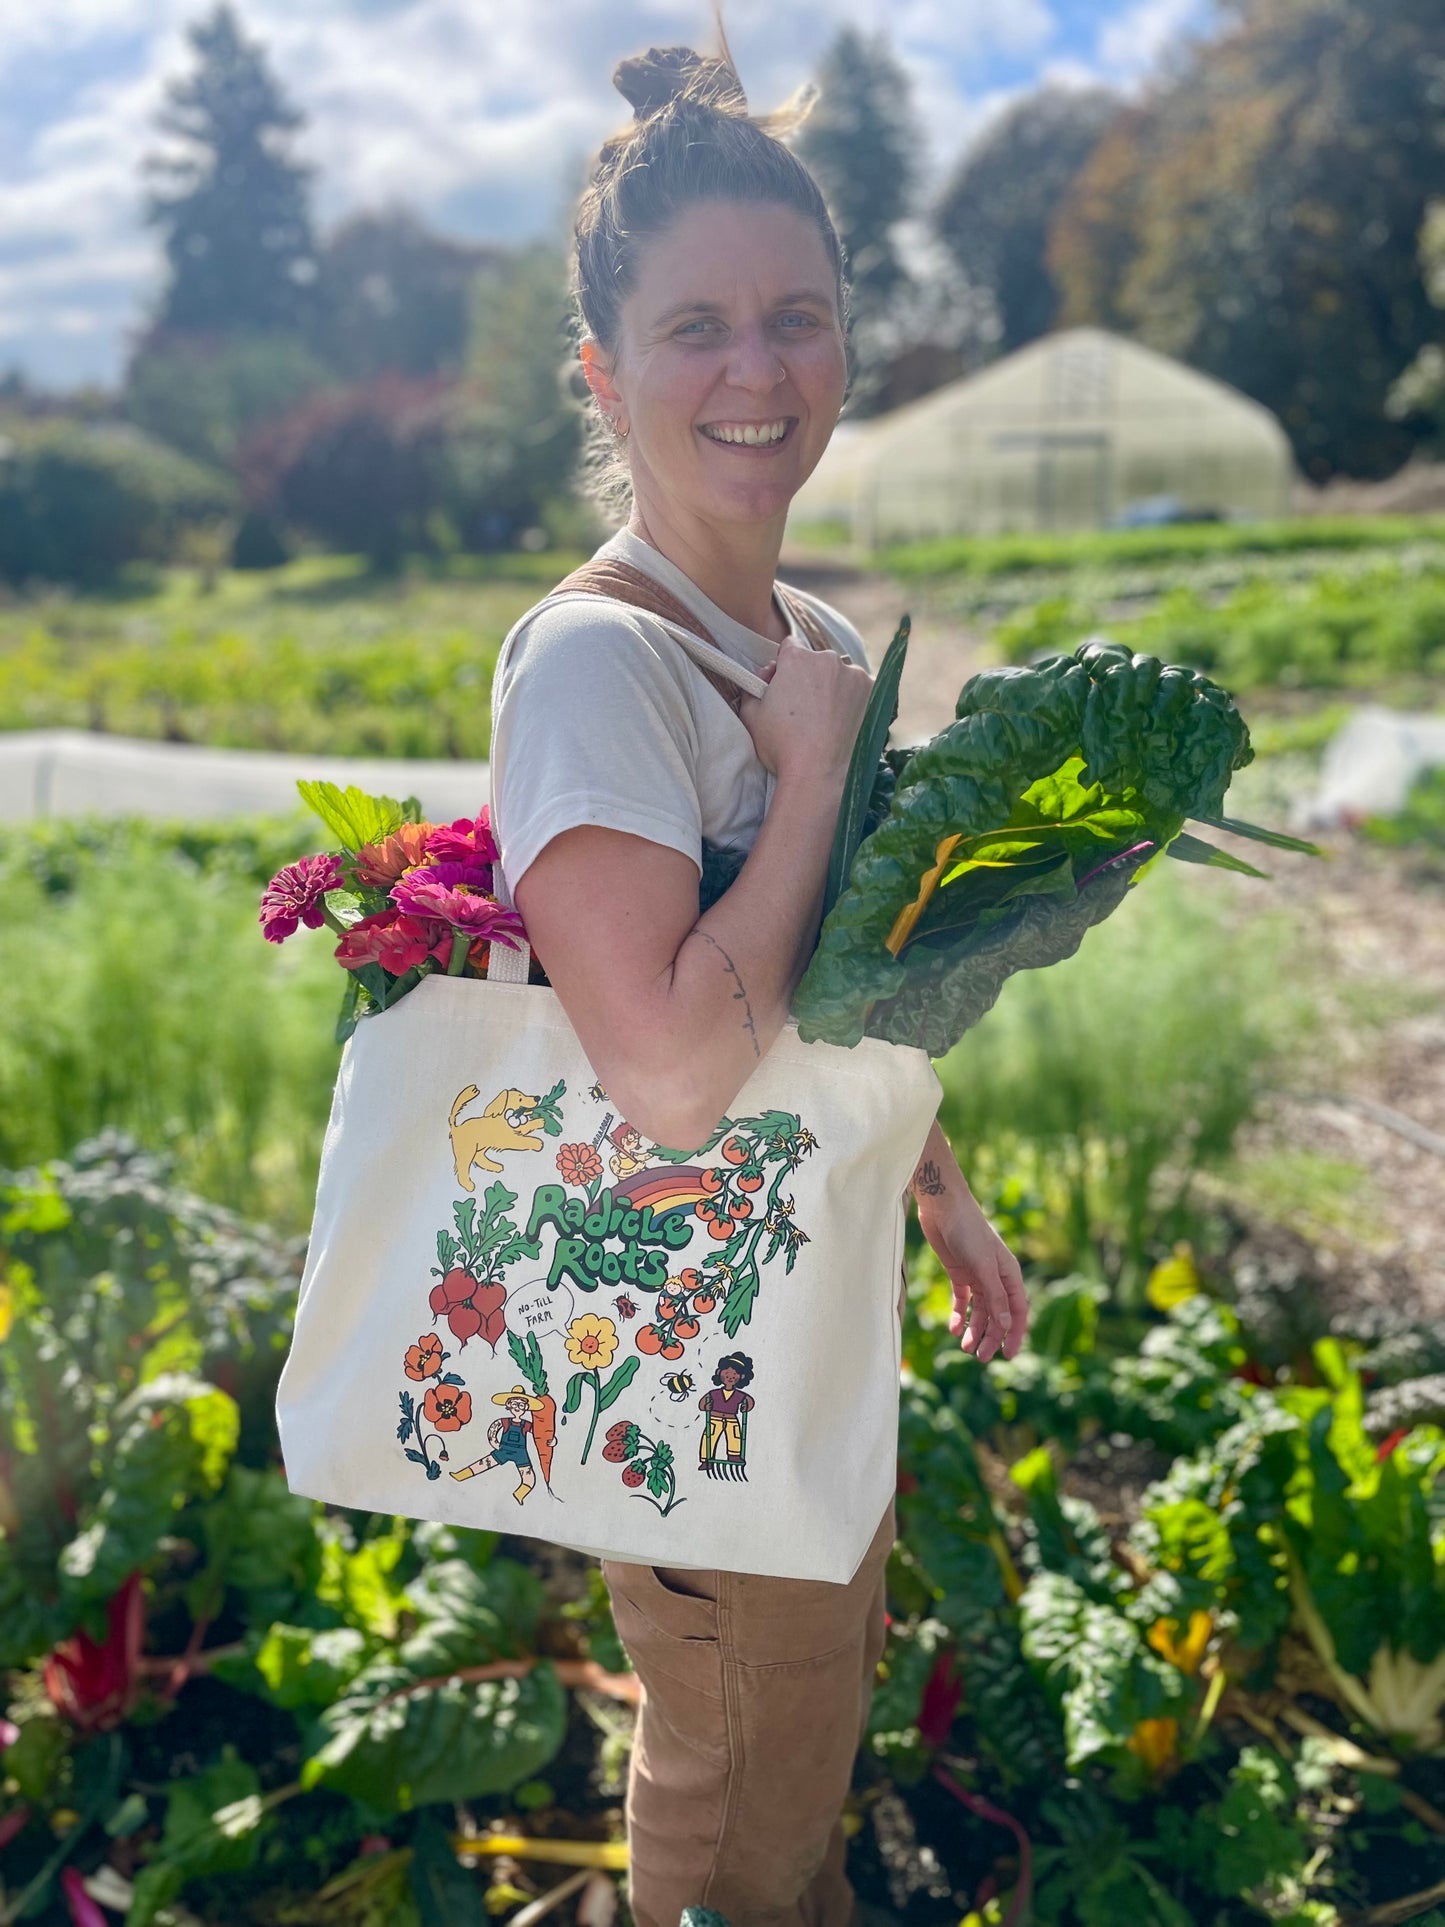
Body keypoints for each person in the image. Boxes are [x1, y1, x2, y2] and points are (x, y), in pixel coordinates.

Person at [487, 38, 1029, 1927]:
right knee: (728, 1780)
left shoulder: (795, 634)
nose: (756, 370)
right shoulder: (595, 668)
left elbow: (847, 982)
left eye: (796, 318)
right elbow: (662, 1074)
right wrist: (809, 777)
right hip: (688, 1355)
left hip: (806, 1319)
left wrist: (936, 1192)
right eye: (697, 324)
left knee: (798, 1732)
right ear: (604, 372)